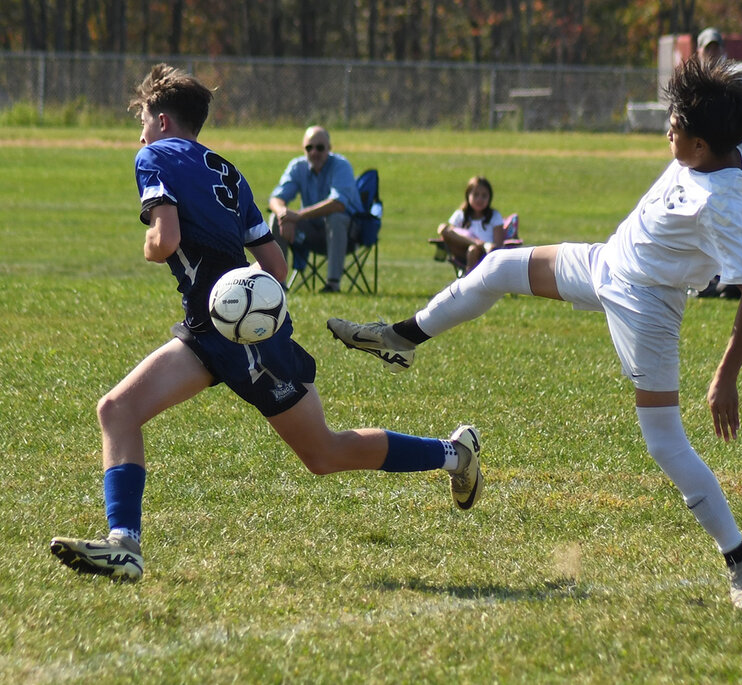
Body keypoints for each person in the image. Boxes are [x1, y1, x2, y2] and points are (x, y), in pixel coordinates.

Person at [327, 58, 742, 609]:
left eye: (675, 126)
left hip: (646, 304)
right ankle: (403, 339)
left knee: (665, 443)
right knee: (498, 267)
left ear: (699, 146)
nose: (668, 129)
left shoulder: (717, 202)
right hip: (608, 261)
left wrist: (725, 375)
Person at [48, 64, 482, 582]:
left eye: (142, 118)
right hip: (213, 331)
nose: (139, 131)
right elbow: (275, 267)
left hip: (239, 339)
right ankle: (125, 545)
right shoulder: (229, 172)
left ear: (162, 120)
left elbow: (162, 240)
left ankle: (455, 453)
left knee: (324, 452)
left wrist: (161, 254)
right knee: (117, 410)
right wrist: (240, 299)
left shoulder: (152, 156)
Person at [268, 126, 363, 293]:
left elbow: (338, 203)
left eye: (320, 147)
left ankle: (333, 285)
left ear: (329, 148)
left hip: (348, 235)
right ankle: (277, 283)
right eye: (309, 147)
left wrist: (297, 216)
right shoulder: (298, 167)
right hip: (311, 232)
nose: (314, 152)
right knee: (276, 219)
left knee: (336, 218)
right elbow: (276, 198)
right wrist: (284, 215)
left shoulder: (341, 166)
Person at [437, 176, 505, 275]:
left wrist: (483, 248)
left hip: (485, 254)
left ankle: (470, 283)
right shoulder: (460, 214)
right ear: (468, 195)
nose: (479, 199)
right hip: (462, 252)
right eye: (476, 195)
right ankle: (478, 243)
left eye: (484, 196)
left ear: (489, 198)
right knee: (443, 228)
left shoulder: (494, 216)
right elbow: (449, 235)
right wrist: (475, 243)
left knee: (473, 249)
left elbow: (498, 245)